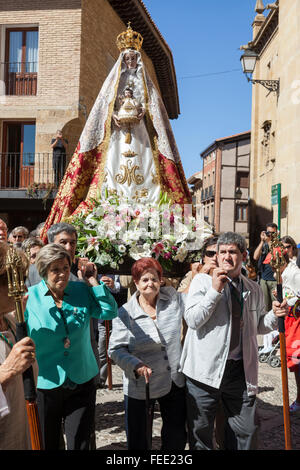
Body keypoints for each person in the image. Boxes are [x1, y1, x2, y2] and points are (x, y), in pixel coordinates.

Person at [41, 24, 191, 237]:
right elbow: (101, 111)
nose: (130, 62)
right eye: (127, 59)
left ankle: (148, 210)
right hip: (117, 135)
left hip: (142, 138)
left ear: (138, 61)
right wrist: (111, 116)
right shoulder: (110, 87)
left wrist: (143, 114)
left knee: (146, 168)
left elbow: (157, 115)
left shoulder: (148, 89)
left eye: (133, 59)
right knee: (113, 168)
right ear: (122, 61)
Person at [181, 231, 289, 450]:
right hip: (204, 372)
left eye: (232, 252)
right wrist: (214, 291)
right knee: (201, 434)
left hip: (239, 371)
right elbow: (193, 320)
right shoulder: (202, 282)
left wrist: (274, 315)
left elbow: (258, 325)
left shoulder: (253, 288)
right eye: (222, 252)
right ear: (217, 256)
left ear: (244, 255)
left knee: (247, 431)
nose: (227, 256)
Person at [24, 243, 118, 450]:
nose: (62, 275)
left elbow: (109, 312)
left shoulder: (80, 290)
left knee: (80, 443)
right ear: (43, 271)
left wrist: (93, 282)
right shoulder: (29, 299)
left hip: (81, 378)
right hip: (45, 383)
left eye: (66, 268)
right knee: (48, 442)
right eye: (55, 270)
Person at [108, 257, 187, 450]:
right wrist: (135, 365)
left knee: (176, 435)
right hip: (141, 382)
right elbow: (115, 349)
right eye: (144, 280)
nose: (150, 283)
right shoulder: (124, 313)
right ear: (136, 283)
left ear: (160, 280)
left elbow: (193, 297)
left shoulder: (172, 300)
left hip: (173, 378)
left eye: (154, 278)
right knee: (139, 438)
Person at [0, 242, 37, 450]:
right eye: (13, 280)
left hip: (23, 434)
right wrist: (5, 372)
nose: (21, 288)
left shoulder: (12, 323)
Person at [265, 246, 300, 412]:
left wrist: (290, 302)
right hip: (289, 322)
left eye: (272, 263)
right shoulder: (282, 274)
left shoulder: (294, 273)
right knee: (294, 362)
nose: (270, 267)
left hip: (296, 323)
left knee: (296, 360)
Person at [253, 223, 278, 310]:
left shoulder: (278, 244)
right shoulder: (264, 244)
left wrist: (269, 241)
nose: (270, 235)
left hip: (275, 280)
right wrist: (262, 241)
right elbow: (255, 257)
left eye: (272, 233)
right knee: (265, 307)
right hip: (264, 279)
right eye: (268, 232)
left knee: (276, 305)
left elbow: (274, 256)